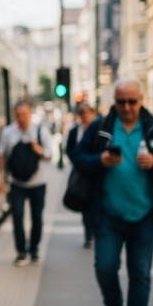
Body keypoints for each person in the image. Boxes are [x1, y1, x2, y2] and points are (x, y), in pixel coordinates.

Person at [74, 77, 153, 306]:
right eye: (121, 102)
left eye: (132, 102)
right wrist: (99, 161)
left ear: (141, 100)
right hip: (108, 214)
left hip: (144, 215)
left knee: (140, 275)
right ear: (115, 102)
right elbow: (78, 157)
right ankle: (113, 305)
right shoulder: (101, 127)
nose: (126, 107)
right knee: (105, 267)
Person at [0, 100, 52, 266]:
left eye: (24, 114)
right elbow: (1, 155)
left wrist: (38, 149)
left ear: (30, 114)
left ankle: (34, 249)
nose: (21, 118)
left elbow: (50, 155)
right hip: (16, 183)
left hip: (38, 183)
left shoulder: (40, 131)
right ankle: (21, 252)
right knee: (17, 217)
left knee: (37, 218)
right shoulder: (8, 132)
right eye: (18, 114)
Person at [66, 103, 99, 248]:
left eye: (87, 112)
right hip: (81, 173)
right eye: (82, 113)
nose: (85, 116)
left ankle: (96, 232)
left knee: (97, 204)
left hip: (97, 172)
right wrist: (78, 162)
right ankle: (88, 234)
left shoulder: (100, 130)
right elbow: (69, 150)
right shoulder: (75, 131)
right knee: (86, 205)